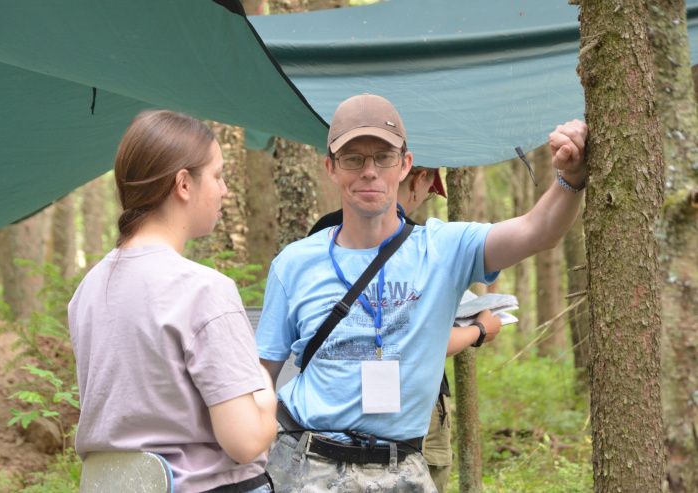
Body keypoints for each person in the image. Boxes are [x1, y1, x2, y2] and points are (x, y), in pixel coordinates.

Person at [255, 93, 587, 492]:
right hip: (306, 463)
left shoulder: (444, 248)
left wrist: (571, 179)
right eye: (353, 158)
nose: (369, 171)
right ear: (331, 168)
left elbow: (537, 232)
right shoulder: (294, 263)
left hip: (403, 468)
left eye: (383, 157)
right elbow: (260, 377)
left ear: (406, 165)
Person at [68, 110, 278, 493]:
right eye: (217, 175)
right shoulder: (203, 289)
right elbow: (245, 441)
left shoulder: (88, 290)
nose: (224, 189)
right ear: (184, 184)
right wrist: (264, 393)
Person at [308, 167, 502, 492]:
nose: (424, 198)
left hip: (333, 406)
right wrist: (479, 330)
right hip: (412, 411)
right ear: (416, 177)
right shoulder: (419, 246)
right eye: (428, 188)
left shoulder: (324, 231)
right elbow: (424, 341)